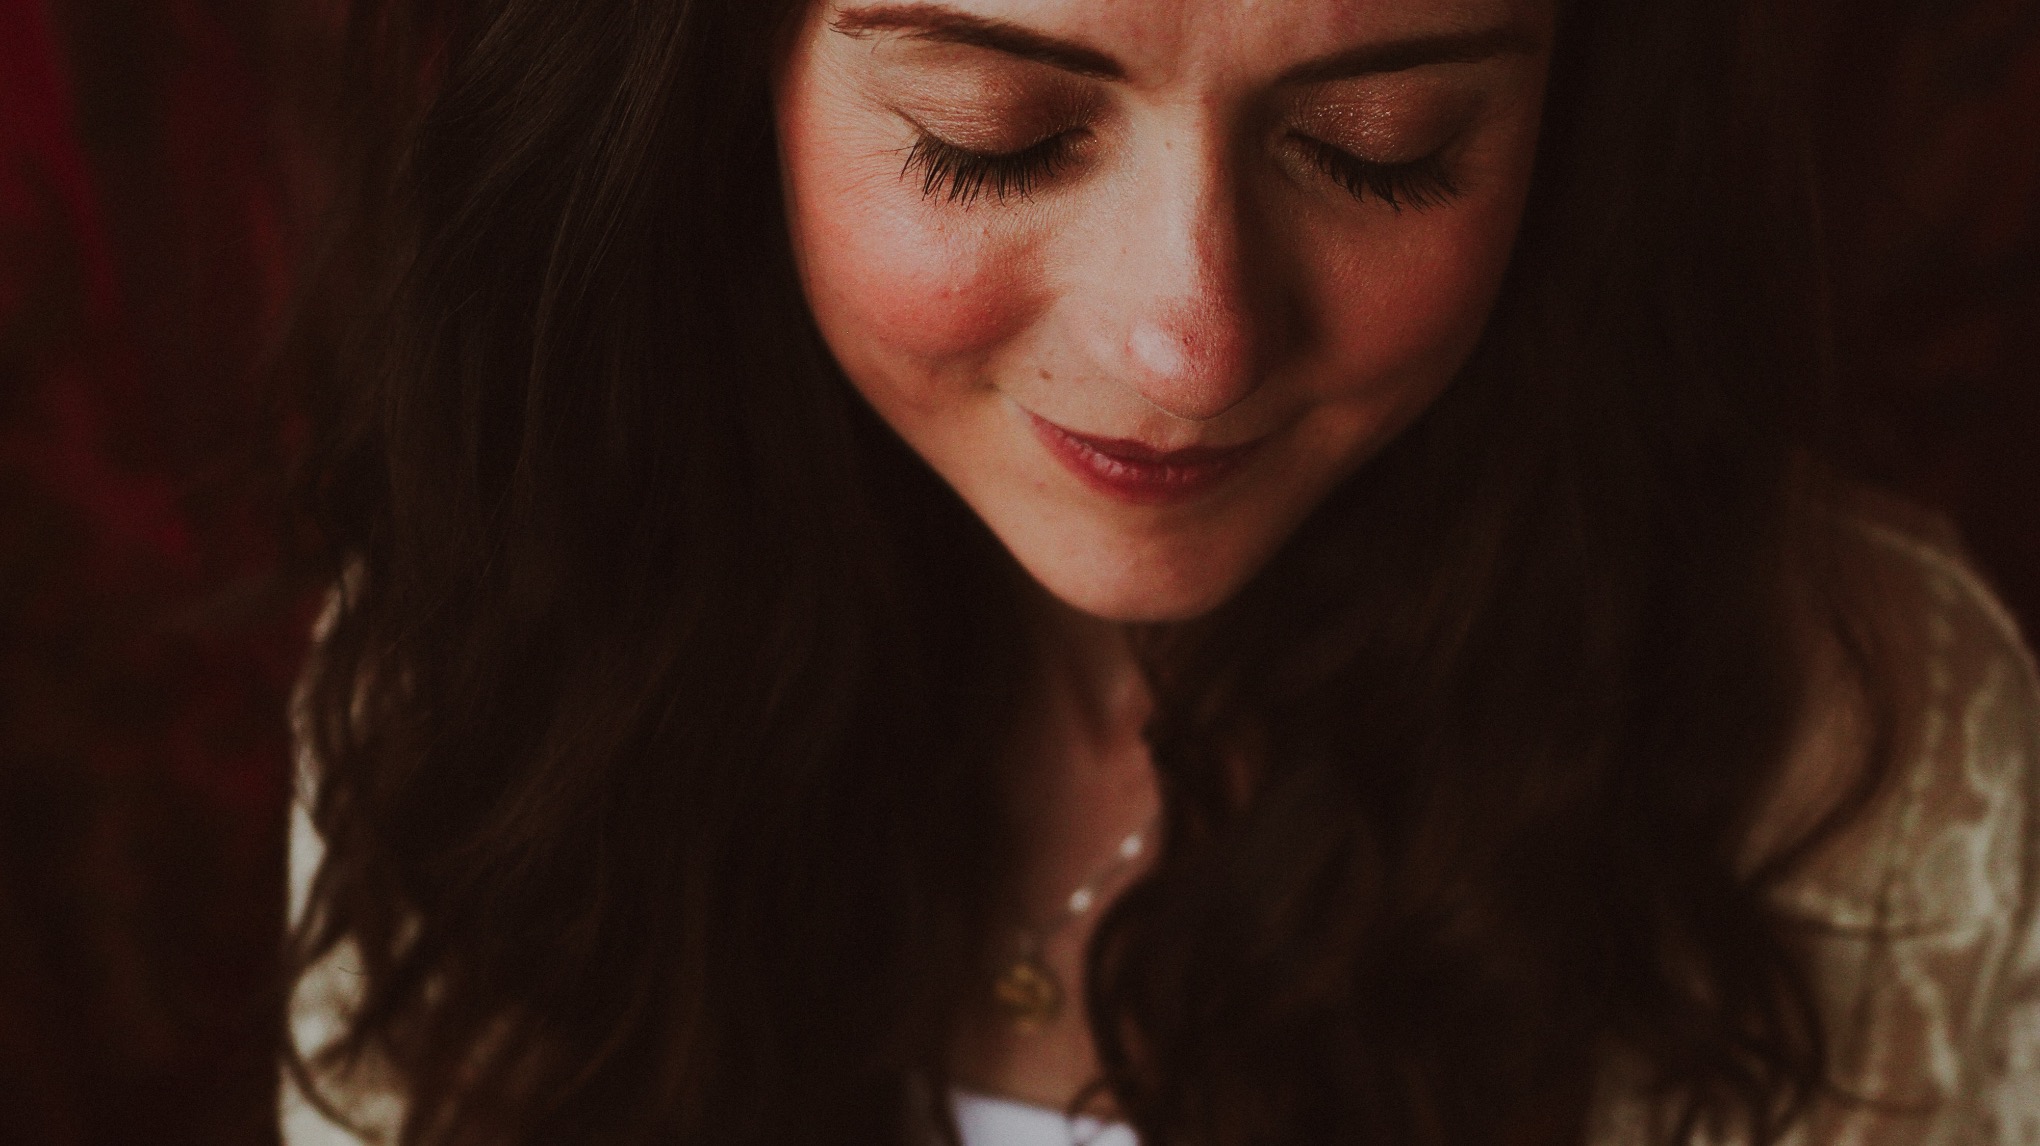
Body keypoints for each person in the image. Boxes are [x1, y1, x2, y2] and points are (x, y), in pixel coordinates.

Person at [280, 0, 2040, 1142]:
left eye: (1381, 149)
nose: (1191, 346)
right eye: (992, 133)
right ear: (728, 77)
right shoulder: (484, 679)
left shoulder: (1872, 743)